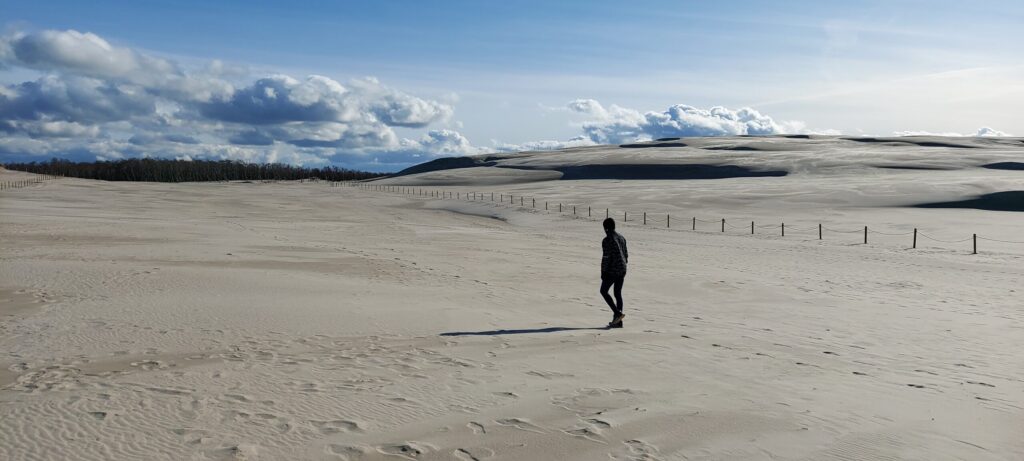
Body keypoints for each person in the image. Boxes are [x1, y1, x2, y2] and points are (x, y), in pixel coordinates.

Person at [600, 218, 628, 328]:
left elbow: (606, 257)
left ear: (606, 228)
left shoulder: (607, 240)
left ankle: (617, 314)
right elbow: (626, 254)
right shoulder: (621, 237)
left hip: (613, 270)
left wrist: (603, 272)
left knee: (603, 291)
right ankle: (618, 322)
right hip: (622, 269)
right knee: (617, 293)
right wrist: (623, 265)